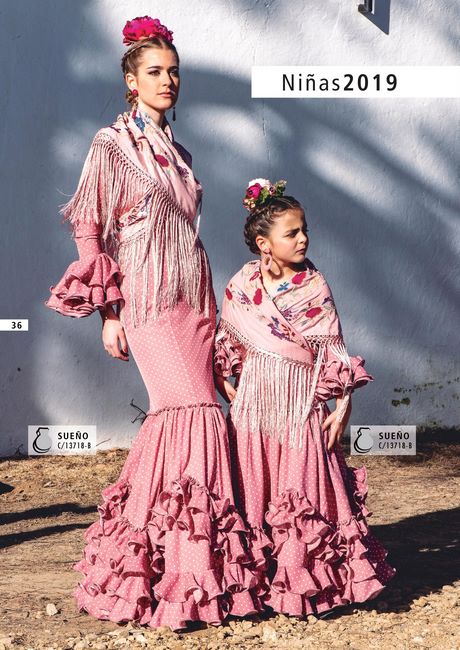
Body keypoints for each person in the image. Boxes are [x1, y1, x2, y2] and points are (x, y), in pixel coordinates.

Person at [45, 17, 263, 631]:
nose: (167, 82)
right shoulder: (110, 145)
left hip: (194, 297)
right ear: (130, 81)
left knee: (203, 413)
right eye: (154, 73)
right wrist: (108, 312)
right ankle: (144, 562)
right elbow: (89, 226)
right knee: (186, 411)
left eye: (173, 73)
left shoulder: (180, 152)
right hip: (147, 299)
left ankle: (195, 567)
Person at [213, 178, 396, 619]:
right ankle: (255, 586)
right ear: (264, 243)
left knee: (303, 491)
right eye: (291, 232)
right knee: (255, 493)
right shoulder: (241, 283)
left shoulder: (314, 285)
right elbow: (227, 340)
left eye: (304, 229)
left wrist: (342, 407)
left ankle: (309, 584)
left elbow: (334, 347)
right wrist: (227, 384)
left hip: (300, 406)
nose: (303, 238)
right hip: (255, 406)